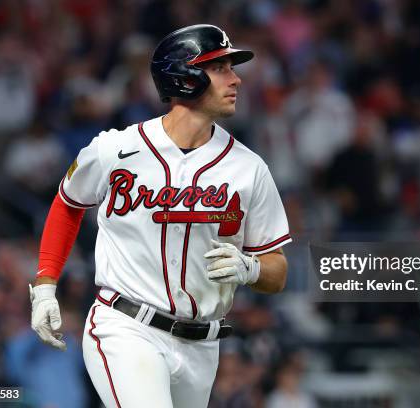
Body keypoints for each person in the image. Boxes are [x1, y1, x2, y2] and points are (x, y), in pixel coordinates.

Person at [28, 24, 291, 408]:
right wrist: (46, 285)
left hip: (203, 345)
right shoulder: (115, 150)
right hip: (126, 326)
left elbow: (277, 269)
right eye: (220, 68)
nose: (235, 79)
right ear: (184, 77)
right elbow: (68, 203)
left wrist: (250, 268)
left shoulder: (249, 169)